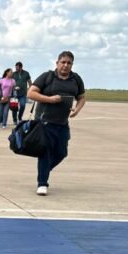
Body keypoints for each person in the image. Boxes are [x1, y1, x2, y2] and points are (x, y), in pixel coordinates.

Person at [27, 50, 86, 196]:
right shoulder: (47, 77)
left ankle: (44, 171)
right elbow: (31, 93)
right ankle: (42, 183)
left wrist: (77, 109)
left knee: (61, 153)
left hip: (62, 123)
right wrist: (50, 99)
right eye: (63, 62)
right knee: (45, 152)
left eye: (69, 63)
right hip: (45, 121)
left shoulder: (76, 79)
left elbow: (82, 97)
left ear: (72, 65)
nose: (65, 66)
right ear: (57, 63)